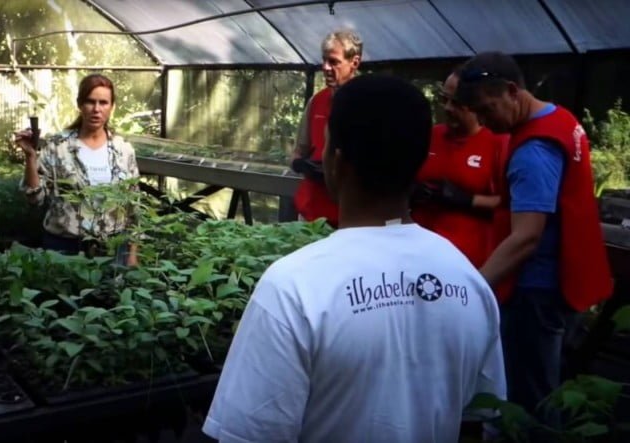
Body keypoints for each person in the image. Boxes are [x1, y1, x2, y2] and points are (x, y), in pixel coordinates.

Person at [203, 75, 506, 443]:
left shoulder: (294, 287)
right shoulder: (468, 281)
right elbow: (478, 420)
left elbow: (248, 435)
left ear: (335, 159)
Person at [455, 51, 613, 425]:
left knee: (531, 398)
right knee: (549, 384)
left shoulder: (533, 150)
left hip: (537, 292)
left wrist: (470, 287)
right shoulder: (560, 119)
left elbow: (526, 238)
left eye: (486, 109)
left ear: (512, 91)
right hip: (565, 280)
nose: (483, 122)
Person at [17, 73, 139, 265]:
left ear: (112, 107)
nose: (96, 109)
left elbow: (132, 207)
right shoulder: (58, 147)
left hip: (113, 250)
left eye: (103, 102)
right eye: (90, 102)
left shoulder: (123, 151)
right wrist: (31, 157)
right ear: (80, 104)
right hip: (65, 249)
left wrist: (131, 254)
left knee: (112, 295)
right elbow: (34, 198)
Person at [411, 67, 509, 268]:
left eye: (456, 103)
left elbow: (511, 206)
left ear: (475, 104)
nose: (447, 108)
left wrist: (466, 200)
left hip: (469, 261)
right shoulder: (431, 136)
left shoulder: (498, 143)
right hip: (421, 256)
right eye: (444, 99)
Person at [290, 29, 362, 228]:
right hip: (311, 212)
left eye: (334, 62)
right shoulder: (317, 101)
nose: (325, 67)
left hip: (347, 216)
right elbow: (300, 150)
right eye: (324, 61)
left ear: (354, 62)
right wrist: (302, 164)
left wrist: (336, 171)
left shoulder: (367, 103)